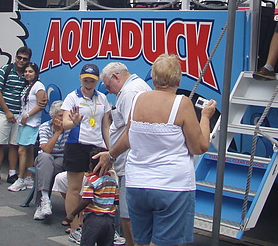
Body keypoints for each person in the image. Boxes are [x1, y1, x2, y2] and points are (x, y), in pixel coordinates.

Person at [95, 54, 216, 246]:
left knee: (141, 241)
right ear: (178, 78)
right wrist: (206, 117)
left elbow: (128, 137)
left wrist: (111, 155)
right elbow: (199, 146)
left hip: (137, 185)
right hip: (171, 186)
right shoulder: (182, 103)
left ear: (153, 76)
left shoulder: (137, 100)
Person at [100, 62, 151, 246]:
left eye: (108, 86)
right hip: (131, 162)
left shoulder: (130, 93)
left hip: (132, 163)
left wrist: (111, 155)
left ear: (116, 76)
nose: (109, 91)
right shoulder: (135, 88)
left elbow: (133, 130)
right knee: (129, 216)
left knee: (129, 217)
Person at [61, 63, 112, 244]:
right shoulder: (72, 97)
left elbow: (106, 125)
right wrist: (73, 122)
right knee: (74, 189)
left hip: (97, 148)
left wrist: (110, 149)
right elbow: (64, 124)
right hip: (76, 146)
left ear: (97, 81)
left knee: (99, 189)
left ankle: (95, 226)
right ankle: (74, 228)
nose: (89, 84)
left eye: (92, 81)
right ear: (80, 79)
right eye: (85, 80)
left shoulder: (103, 99)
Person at [0, 46, 32, 187]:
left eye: (24, 59)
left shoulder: (27, 74)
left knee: (14, 145)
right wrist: (7, 111)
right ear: (15, 57)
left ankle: (12, 173)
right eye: (19, 57)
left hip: (19, 115)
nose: (21, 61)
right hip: (3, 113)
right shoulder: (5, 70)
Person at [65, 147, 119, 246]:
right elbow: (116, 201)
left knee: (87, 242)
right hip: (109, 220)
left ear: (90, 166)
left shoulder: (91, 181)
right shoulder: (112, 181)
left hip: (94, 219)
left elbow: (86, 200)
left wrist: (72, 214)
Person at [8, 62, 48, 192]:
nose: (27, 74)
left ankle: (20, 179)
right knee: (29, 150)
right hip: (24, 122)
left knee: (21, 150)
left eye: (30, 72)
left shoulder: (39, 86)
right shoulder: (29, 86)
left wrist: (28, 115)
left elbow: (41, 104)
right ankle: (29, 178)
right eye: (25, 72)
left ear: (36, 73)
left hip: (31, 123)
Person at [33, 100, 70, 220]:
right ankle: (45, 198)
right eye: (60, 116)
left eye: (64, 115)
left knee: (46, 169)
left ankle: (41, 204)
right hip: (45, 159)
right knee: (45, 159)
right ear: (53, 117)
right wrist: (58, 133)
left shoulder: (69, 128)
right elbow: (46, 150)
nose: (63, 119)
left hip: (61, 159)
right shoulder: (44, 127)